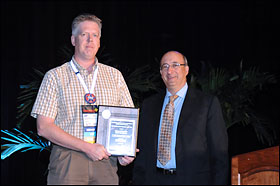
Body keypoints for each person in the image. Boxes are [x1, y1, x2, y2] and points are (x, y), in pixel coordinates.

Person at [31, 13, 136, 185]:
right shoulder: (55, 76)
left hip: (105, 162)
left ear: (100, 41)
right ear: (73, 40)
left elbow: (127, 120)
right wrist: (87, 147)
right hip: (68, 160)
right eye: (84, 34)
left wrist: (125, 151)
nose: (90, 40)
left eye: (95, 35)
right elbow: (43, 127)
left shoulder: (114, 76)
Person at [133, 51, 229, 185]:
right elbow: (142, 151)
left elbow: (220, 156)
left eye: (175, 65)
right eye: (164, 66)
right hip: (154, 179)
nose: (170, 71)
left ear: (187, 69)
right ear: (161, 73)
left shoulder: (207, 104)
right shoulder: (149, 105)